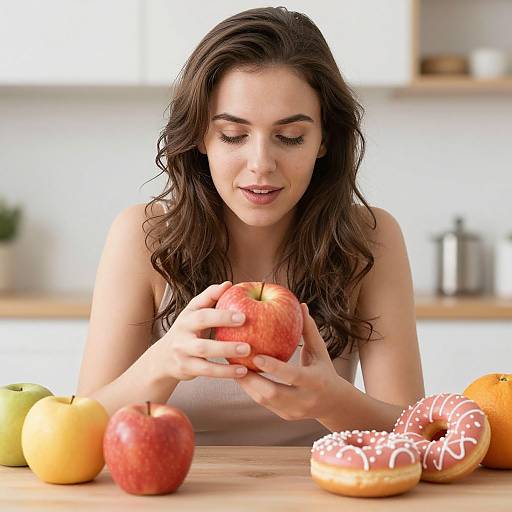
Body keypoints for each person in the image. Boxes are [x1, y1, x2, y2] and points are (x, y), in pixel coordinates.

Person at [77, 6, 424, 446]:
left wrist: (332, 402)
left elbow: (419, 434)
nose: (261, 165)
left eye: (290, 137)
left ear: (324, 139)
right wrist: (162, 363)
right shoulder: (142, 236)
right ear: (201, 137)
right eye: (233, 135)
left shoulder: (371, 239)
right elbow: (77, 432)